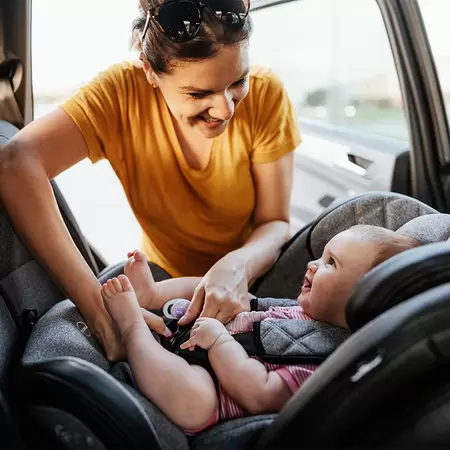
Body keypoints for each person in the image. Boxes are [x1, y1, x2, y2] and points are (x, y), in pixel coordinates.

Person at [0, 0, 301, 360]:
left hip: (253, 278)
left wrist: (236, 266)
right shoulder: (119, 96)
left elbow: (276, 223)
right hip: (162, 281)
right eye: (198, 94)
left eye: (238, 82)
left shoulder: (268, 95)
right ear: (149, 71)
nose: (226, 109)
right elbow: (16, 162)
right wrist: (100, 314)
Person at [101, 225, 420, 432]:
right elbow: (253, 310)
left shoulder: (327, 362)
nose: (312, 265)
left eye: (330, 264)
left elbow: (262, 394)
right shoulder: (301, 312)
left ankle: (131, 328)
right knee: (231, 293)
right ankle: (153, 295)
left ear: (363, 299)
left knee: (195, 403)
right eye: (322, 257)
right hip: (201, 336)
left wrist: (220, 344)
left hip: (216, 393)